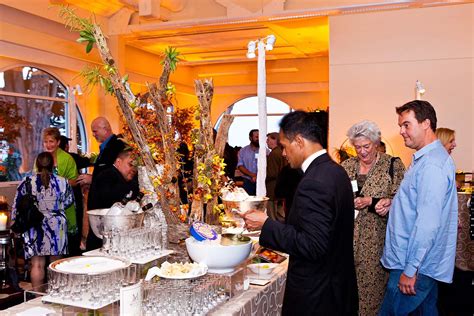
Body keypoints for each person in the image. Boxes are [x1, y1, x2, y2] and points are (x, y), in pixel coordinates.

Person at [243, 111, 358, 315]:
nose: (284, 154)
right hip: (338, 288)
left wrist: (266, 223)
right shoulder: (336, 171)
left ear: (299, 141)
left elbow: (313, 245)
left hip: (318, 295)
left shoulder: (314, 181)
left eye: (285, 147)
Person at [379, 100, 458, 315]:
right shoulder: (426, 159)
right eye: (400, 126)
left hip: (414, 264)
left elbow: (427, 224)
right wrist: (395, 204)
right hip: (418, 263)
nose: (402, 131)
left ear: (426, 123)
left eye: (406, 125)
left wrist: (410, 269)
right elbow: (420, 204)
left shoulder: (432, 164)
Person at [341, 120, 405, 316]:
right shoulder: (346, 166)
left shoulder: (392, 165)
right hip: (346, 240)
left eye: (366, 146)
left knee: (374, 293)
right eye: (358, 147)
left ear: (376, 143)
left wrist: (376, 201)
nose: (362, 151)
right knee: (346, 292)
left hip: (378, 240)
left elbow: (402, 201)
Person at [11, 152, 74, 288]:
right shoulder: (63, 182)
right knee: (56, 264)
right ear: (53, 165)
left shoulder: (27, 182)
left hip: (35, 225)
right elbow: (69, 201)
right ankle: (56, 295)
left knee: (37, 264)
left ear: (36, 165)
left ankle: (36, 299)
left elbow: (17, 205)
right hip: (57, 224)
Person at [86, 149, 139, 250]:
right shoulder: (107, 177)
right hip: (102, 241)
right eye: (130, 164)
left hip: (117, 240)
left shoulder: (125, 179)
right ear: (118, 162)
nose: (134, 169)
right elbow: (114, 206)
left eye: (136, 166)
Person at [42, 128, 79, 254]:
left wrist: (59, 183)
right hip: (45, 207)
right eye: (46, 141)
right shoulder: (41, 159)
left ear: (58, 142)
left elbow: (75, 181)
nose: (48, 145)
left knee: (64, 244)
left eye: (51, 141)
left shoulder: (67, 159)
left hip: (64, 205)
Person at [265, 132, 286, 222]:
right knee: (280, 213)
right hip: (280, 187)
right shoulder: (281, 152)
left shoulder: (274, 154)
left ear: (275, 140)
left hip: (272, 188)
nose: (267, 141)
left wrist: (264, 177)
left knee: (272, 216)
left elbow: (272, 173)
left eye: (268, 139)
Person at [237, 129, 260, 195]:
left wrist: (258, 176)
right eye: (256, 137)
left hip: (261, 182)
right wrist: (252, 175)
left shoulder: (265, 151)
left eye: (260, 137)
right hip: (247, 181)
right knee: (247, 202)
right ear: (250, 138)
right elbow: (240, 166)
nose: (258, 139)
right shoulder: (243, 151)